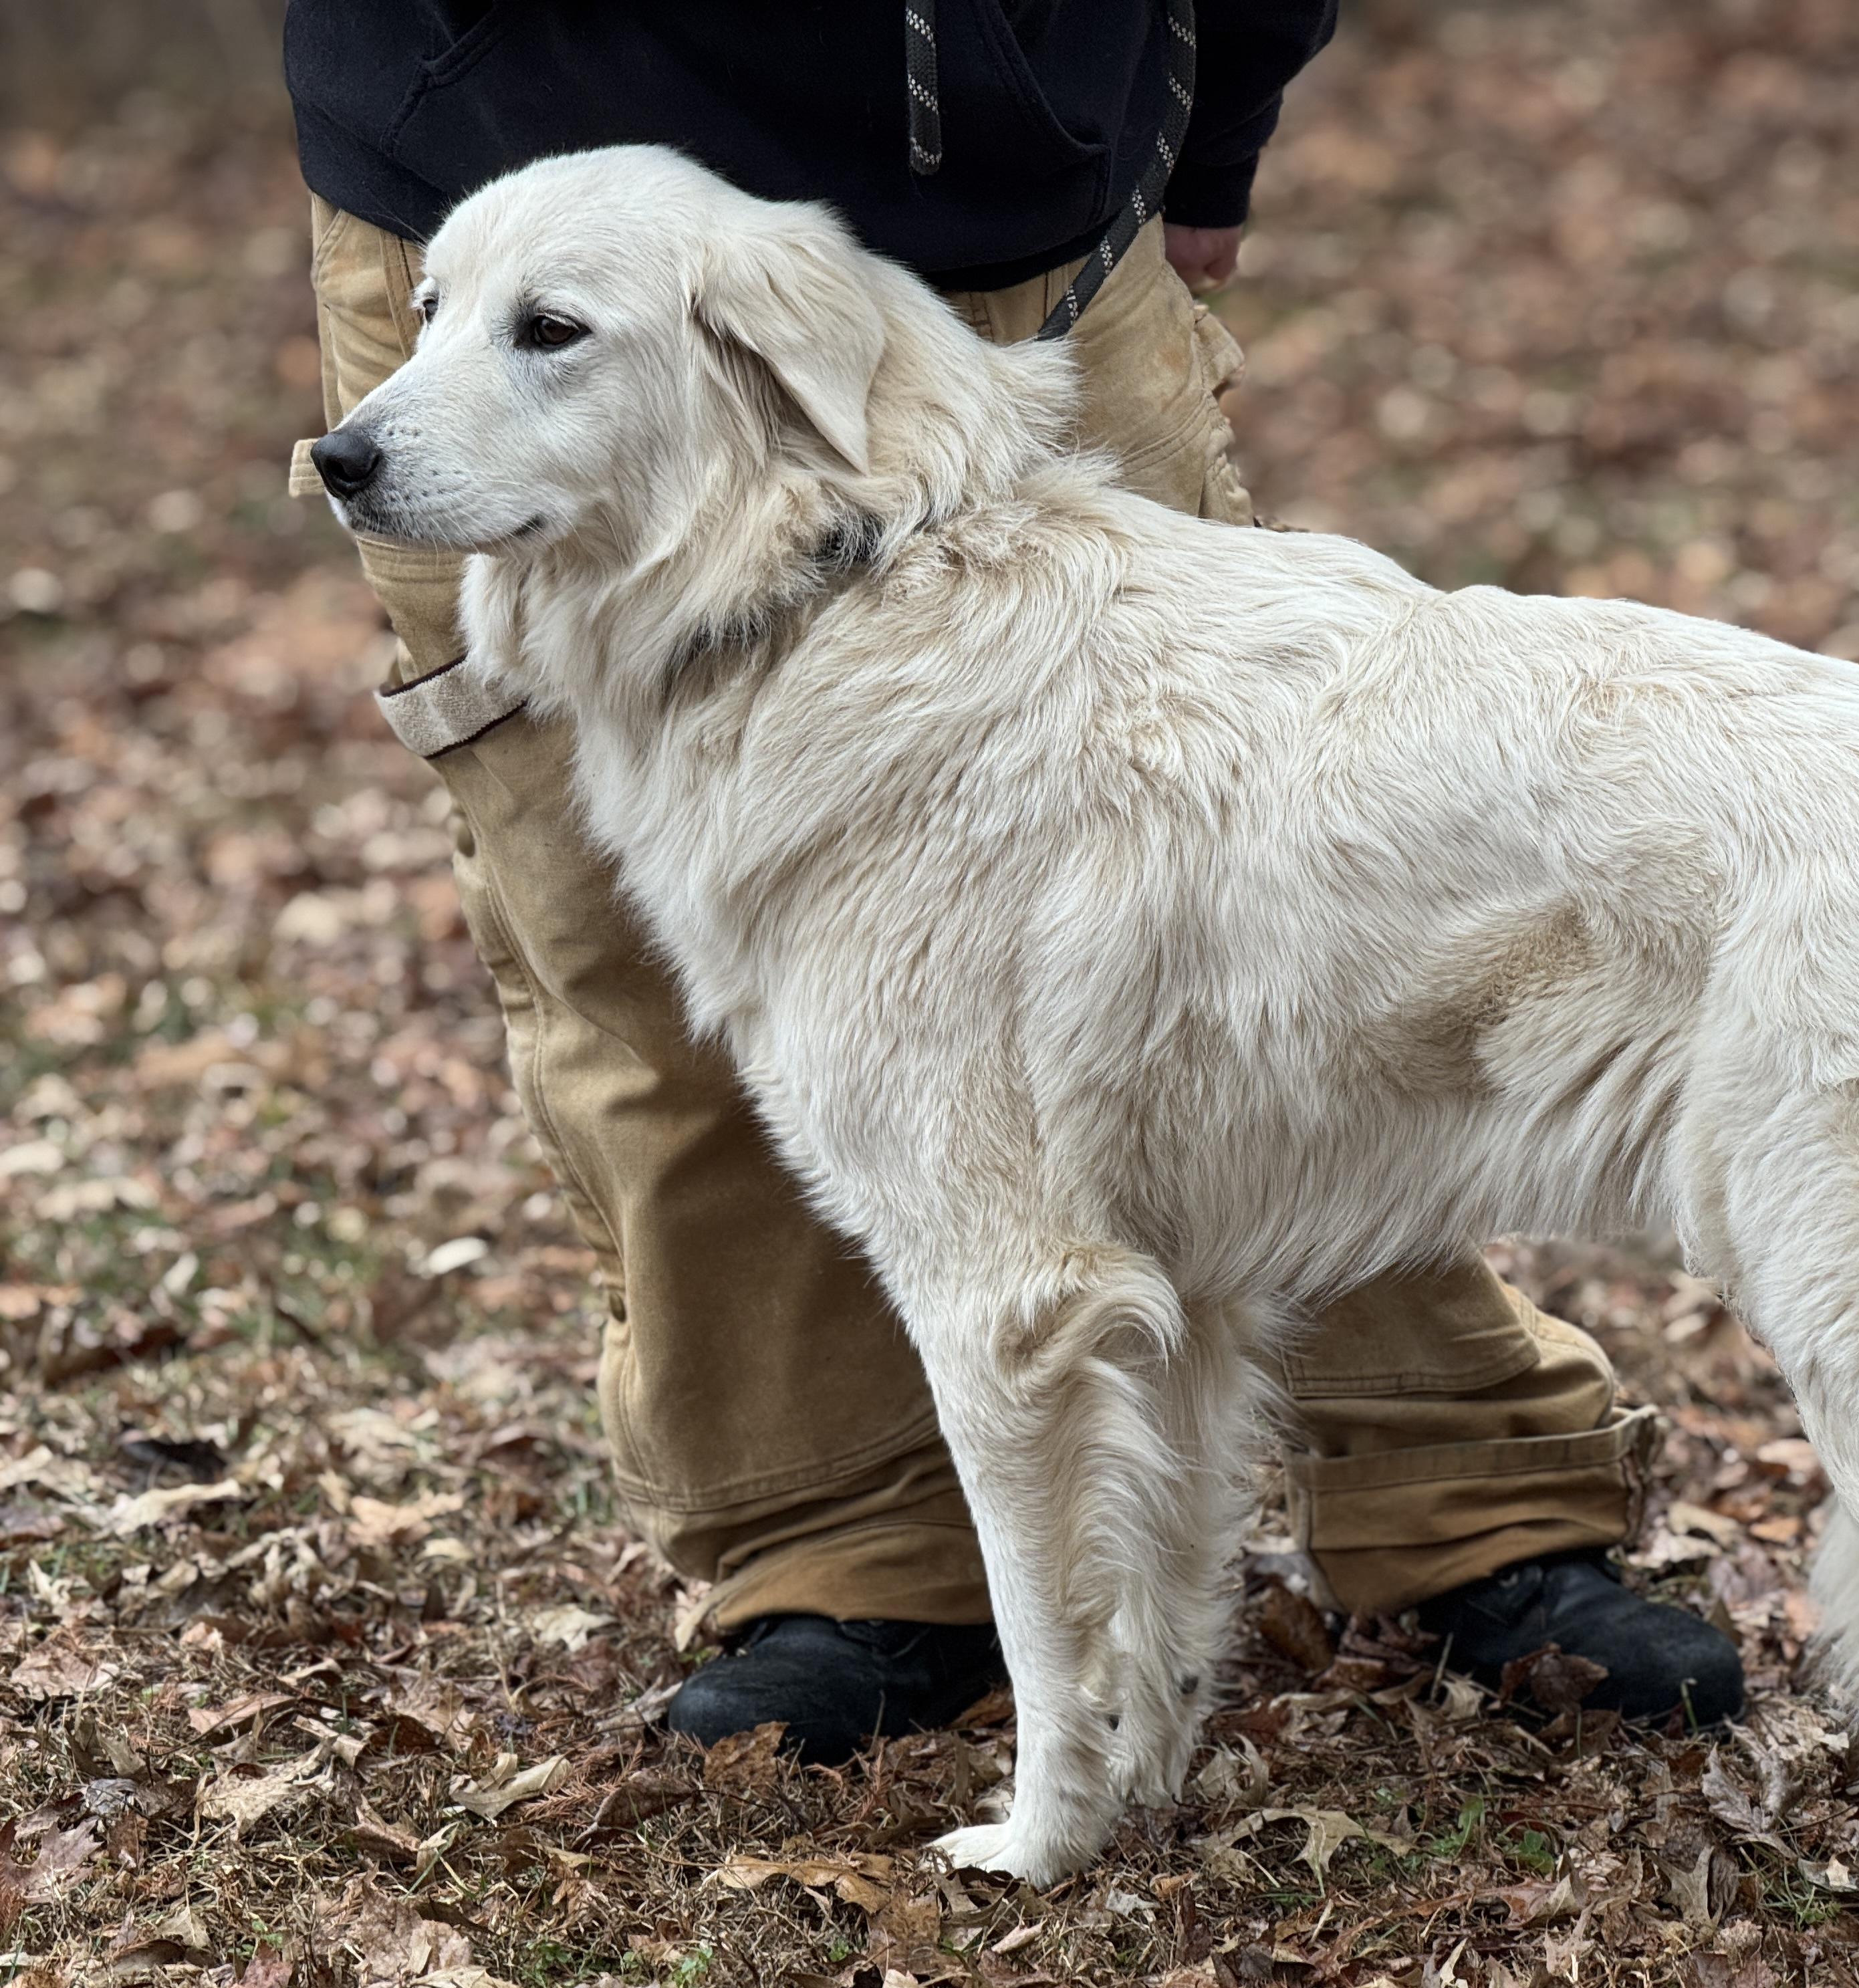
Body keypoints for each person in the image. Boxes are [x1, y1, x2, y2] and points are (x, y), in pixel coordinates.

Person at [281, 0, 1742, 1759]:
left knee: (1294, 887)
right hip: (484, 147)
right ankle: (850, 1557)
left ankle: (1467, 1504)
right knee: (640, 972)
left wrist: (1214, 111)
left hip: (1012, 193)